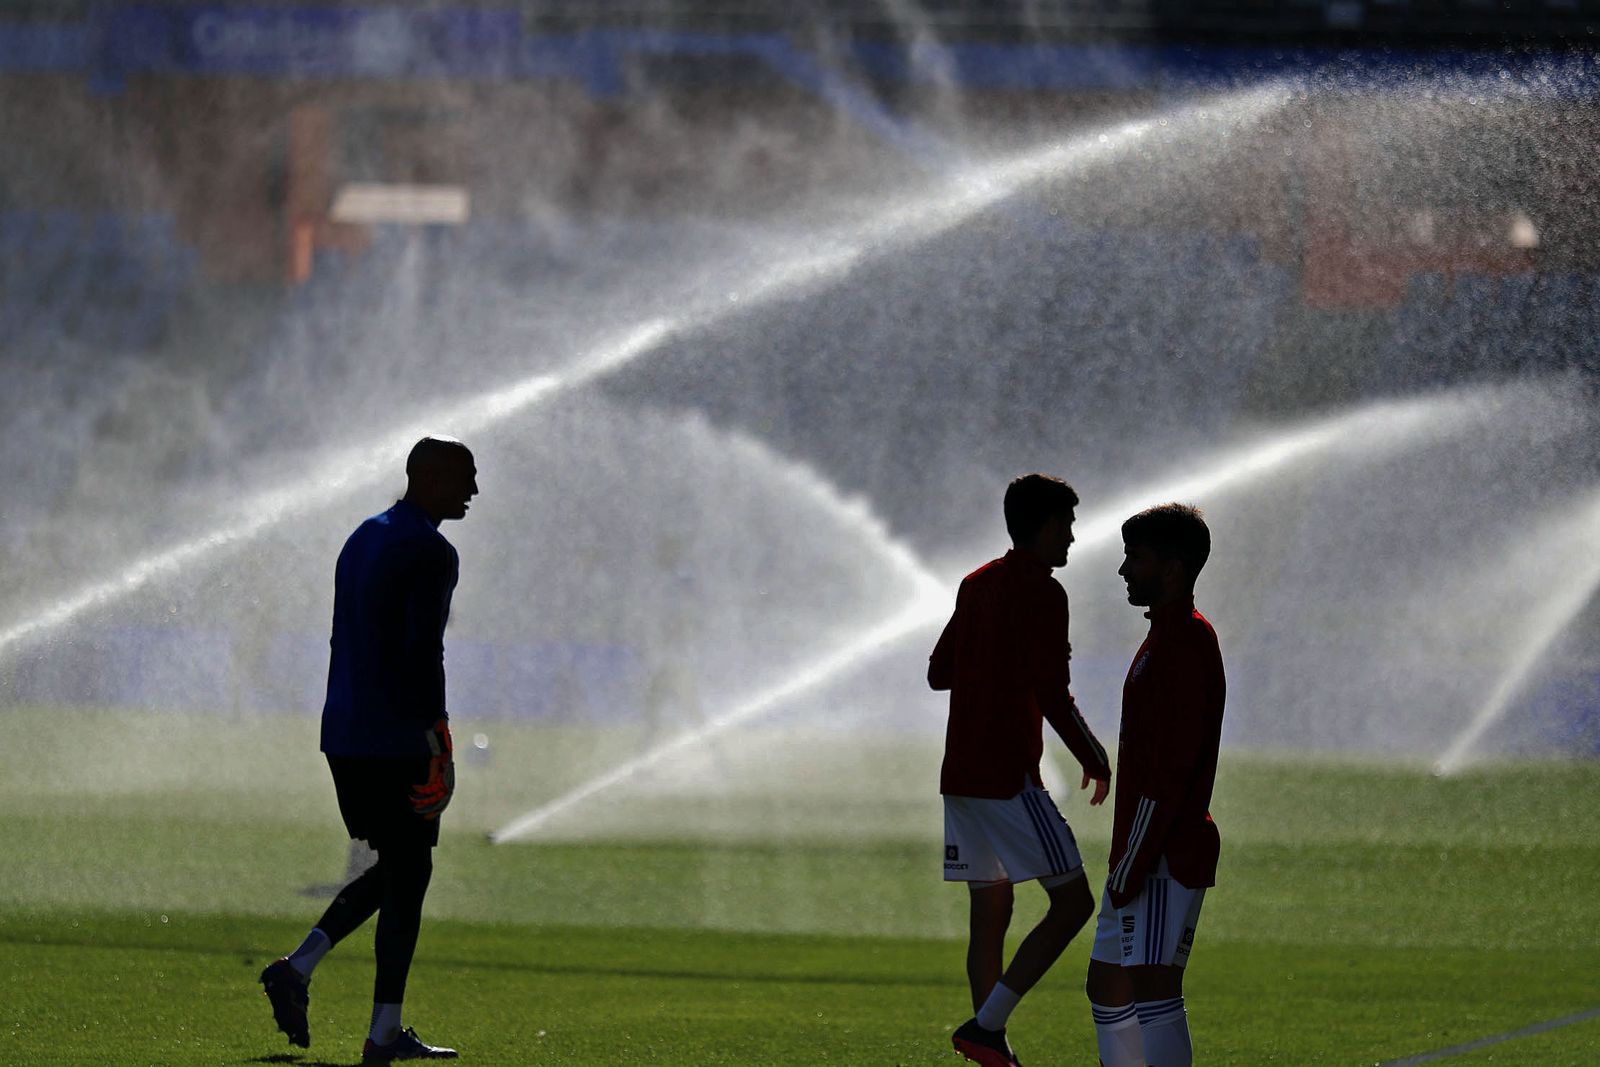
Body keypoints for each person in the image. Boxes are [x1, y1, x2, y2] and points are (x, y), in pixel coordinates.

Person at [259, 435, 477, 1063]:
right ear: (428, 478)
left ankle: (301, 970)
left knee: (399, 867)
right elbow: (420, 654)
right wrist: (439, 743)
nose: (473, 491)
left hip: (345, 731)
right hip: (395, 734)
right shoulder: (433, 550)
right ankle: (379, 1031)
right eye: (464, 477)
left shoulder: (362, 536)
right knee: (409, 871)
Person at [930, 473, 1113, 1067]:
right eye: (1067, 525)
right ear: (1040, 526)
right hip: (1008, 779)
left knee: (991, 915)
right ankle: (987, 1028)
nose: (1073, 538)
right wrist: (1094, 756)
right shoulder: (1044, 592)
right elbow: (1053, 694)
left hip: (959, 779)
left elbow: (939, 671)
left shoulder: (976, 584)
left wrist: (989, 663)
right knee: (1074, 903)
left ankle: (991, 1050)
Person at [1085, 503, 1225, 1067]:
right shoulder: (1163, 638)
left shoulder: (1185, 644)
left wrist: (1133, 864)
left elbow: (1169, 772)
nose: (1123, 570)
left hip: (1164, 854)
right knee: (1107, 985)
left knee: (1153, 989)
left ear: (1172, 568)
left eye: (1135, 558)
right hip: (1141, 853)